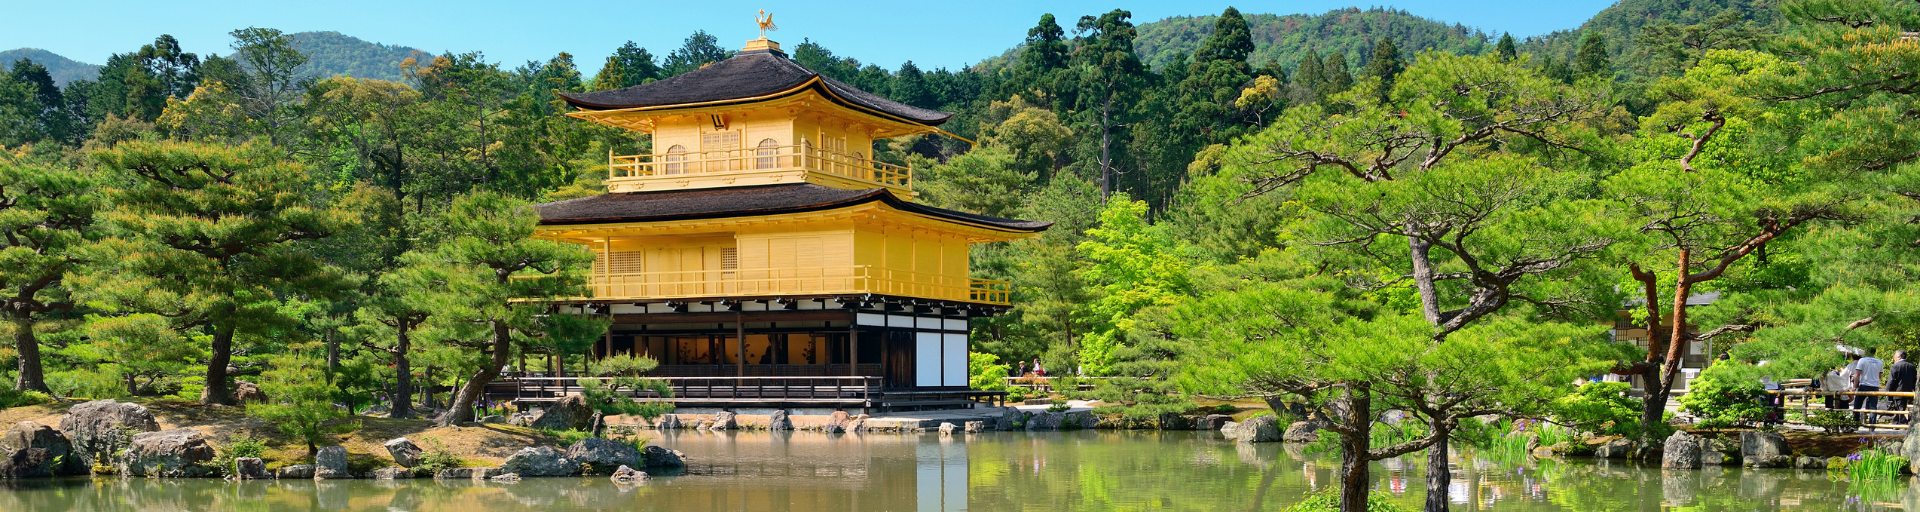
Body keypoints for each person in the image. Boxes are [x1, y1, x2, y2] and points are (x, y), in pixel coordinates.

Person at [1853, 351, 1886, 424]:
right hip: (1874, 386)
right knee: (1873, 407)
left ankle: (1855, 423)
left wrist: (1855, 386)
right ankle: (1872, 426)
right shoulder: (1879, 362)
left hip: (1864, 385)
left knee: (1857, 405)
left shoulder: (1862, 360)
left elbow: (1857, 374)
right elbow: (1879, 376)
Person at [1889, 350, 1916, 422]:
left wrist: (1887, 392)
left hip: (1897, 391)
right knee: (1901, 407)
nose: (1894, 359)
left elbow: (1891, 381)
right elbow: (1914, 380)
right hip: (1908, 391)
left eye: (1894, 357)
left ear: (1899, 357)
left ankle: (1904, 422)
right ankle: (1895, 423)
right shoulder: (1912, 367)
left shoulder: (1895, 366)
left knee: (1900, 409)